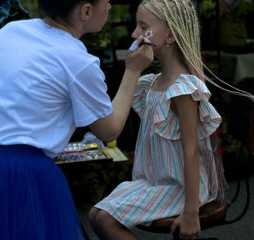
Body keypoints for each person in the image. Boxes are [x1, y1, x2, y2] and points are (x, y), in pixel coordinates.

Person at [0, 0, 153, 239]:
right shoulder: (78, 61)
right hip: (25, 173)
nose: (110, 6)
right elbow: (109, 130)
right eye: (106, 2)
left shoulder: (9, 31)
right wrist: (132, 71)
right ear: (86, 11)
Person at [88, 1, 228, 239]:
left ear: (171, 34)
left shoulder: (183, 89)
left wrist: (191, 212)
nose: (134, 34)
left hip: (179, 188)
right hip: (154, 182)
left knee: (104, 219)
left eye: (143, 26)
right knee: (95, 215)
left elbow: (192, 151)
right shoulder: (153, 82)